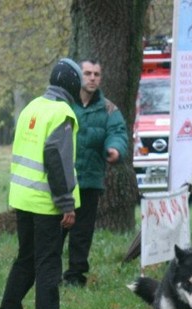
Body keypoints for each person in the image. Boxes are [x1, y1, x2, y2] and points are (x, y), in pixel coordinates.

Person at [0, 58, 82, 309]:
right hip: (48, 204)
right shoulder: (62, 113)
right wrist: (66, 204)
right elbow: (56, 159)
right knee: (48, 264)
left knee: (25, 261)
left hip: (23, 199)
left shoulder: (31, 107)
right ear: (72, 84)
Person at [62, 59, 128, 287]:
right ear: (79, 76)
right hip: (62, 180)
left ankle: (75, 277)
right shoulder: (65, 103)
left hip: (89, 180)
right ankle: (48, 274)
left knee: (82, 233)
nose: (92, 78)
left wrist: (115, 149)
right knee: (56, 229)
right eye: (87, 73)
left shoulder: (108, 108)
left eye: (96, 74)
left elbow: (118, 132)